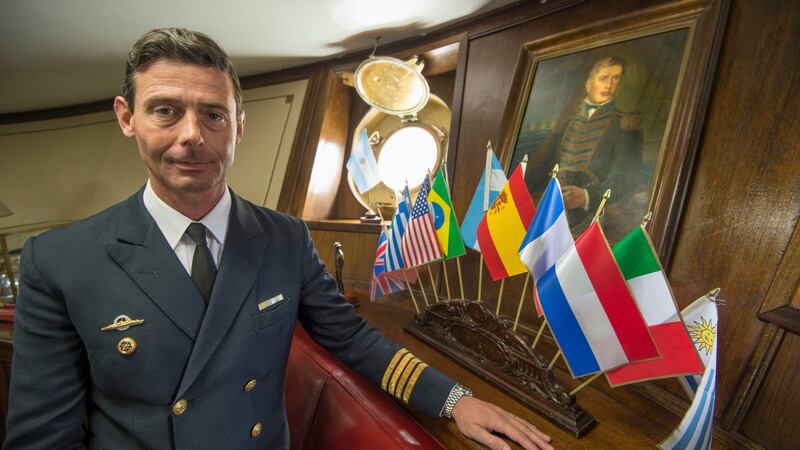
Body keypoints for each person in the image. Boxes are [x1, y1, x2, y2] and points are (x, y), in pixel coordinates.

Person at [4, 28, 552, 450]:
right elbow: (43, 437)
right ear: (128, 118)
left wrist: (455, 400)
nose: (192, 135)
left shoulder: (285, 237)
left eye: (213, 114)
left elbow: (352, 339)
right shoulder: (60, 261)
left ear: (239, 126)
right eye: (166, 111)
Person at [525, 56, 644, 238]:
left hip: (588, 212)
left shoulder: (625, 126)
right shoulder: (566, 122)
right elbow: (541, 164)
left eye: (615, 78)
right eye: (603, 78)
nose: (609, 85)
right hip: (549, 201)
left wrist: (586, 196)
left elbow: (627, 178)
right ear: (589, 84)